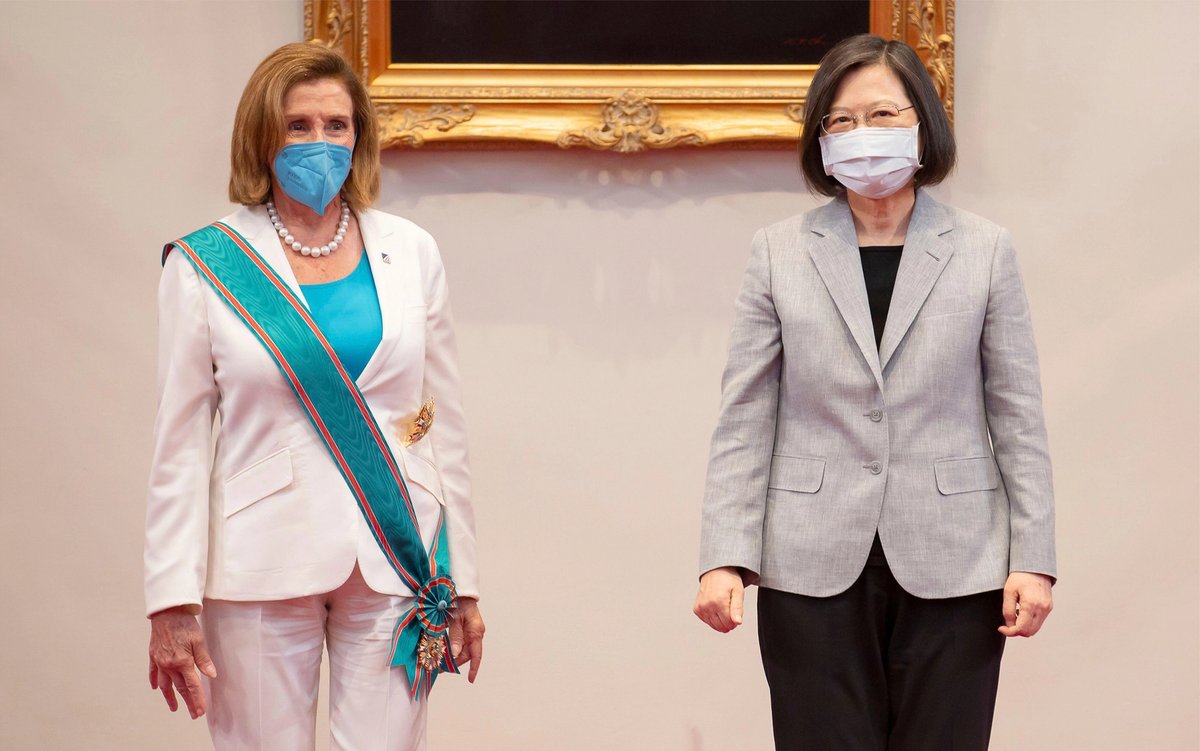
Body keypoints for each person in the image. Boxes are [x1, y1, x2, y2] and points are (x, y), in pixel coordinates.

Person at [692, 34, 1056, 750]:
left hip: (959, 559)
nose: (864, 136)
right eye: (842, 121)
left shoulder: (984, 249)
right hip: (809, 561)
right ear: (821, 140)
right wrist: (721, 555)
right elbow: (744, 418)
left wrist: (1033, 558)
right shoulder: (778, 252)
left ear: (922, 121)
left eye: (884, 115)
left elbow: (1018, 415)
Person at [144, 42, 484, 750]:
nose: (320, 142)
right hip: (260, 564)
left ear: (360, 135)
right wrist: (171, 598)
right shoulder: (206, 264)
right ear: (262, 136)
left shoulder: (411, 250)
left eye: (337, 125)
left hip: (397, 558)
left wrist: (466, 578)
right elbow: (177, 448)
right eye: (298, 126)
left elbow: (442, 426)